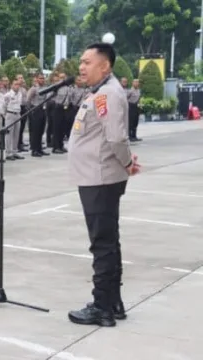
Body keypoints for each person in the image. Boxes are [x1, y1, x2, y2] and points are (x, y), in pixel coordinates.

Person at [67, 43, 141, 327]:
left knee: (102, 244)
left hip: (99, 178)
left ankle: (101, 307)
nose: (82, 67)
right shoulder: (101, 92)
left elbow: (116, 139)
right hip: (96, 176)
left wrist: (127, 164)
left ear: (105, 66)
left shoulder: (107, 94)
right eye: (81, 62)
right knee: (108, 241)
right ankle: (113, 301)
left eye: (87, 62)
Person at [26, 73, 50, 157]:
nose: (42, 80)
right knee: (35, 131)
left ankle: (39, 149)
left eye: (43, 78)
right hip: (35, 109)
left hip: (42, 110)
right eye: (40, 78)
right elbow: (28, 100)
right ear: (37, 79)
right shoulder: (34, 89)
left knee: (41, 130)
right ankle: (34, 150)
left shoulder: (46, 88)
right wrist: (30, 110)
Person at [3, 79, 25, 160]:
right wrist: (5, 115)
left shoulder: (20, 94)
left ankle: (14, 151)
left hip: (17, 114)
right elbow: (4, 106)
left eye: (18, 84)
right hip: (10, 114)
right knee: (9, 134)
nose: (17, 86)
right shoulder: (8, 95)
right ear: (12, 85)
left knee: (16, 134)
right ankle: (8, 153)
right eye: (15, 84)